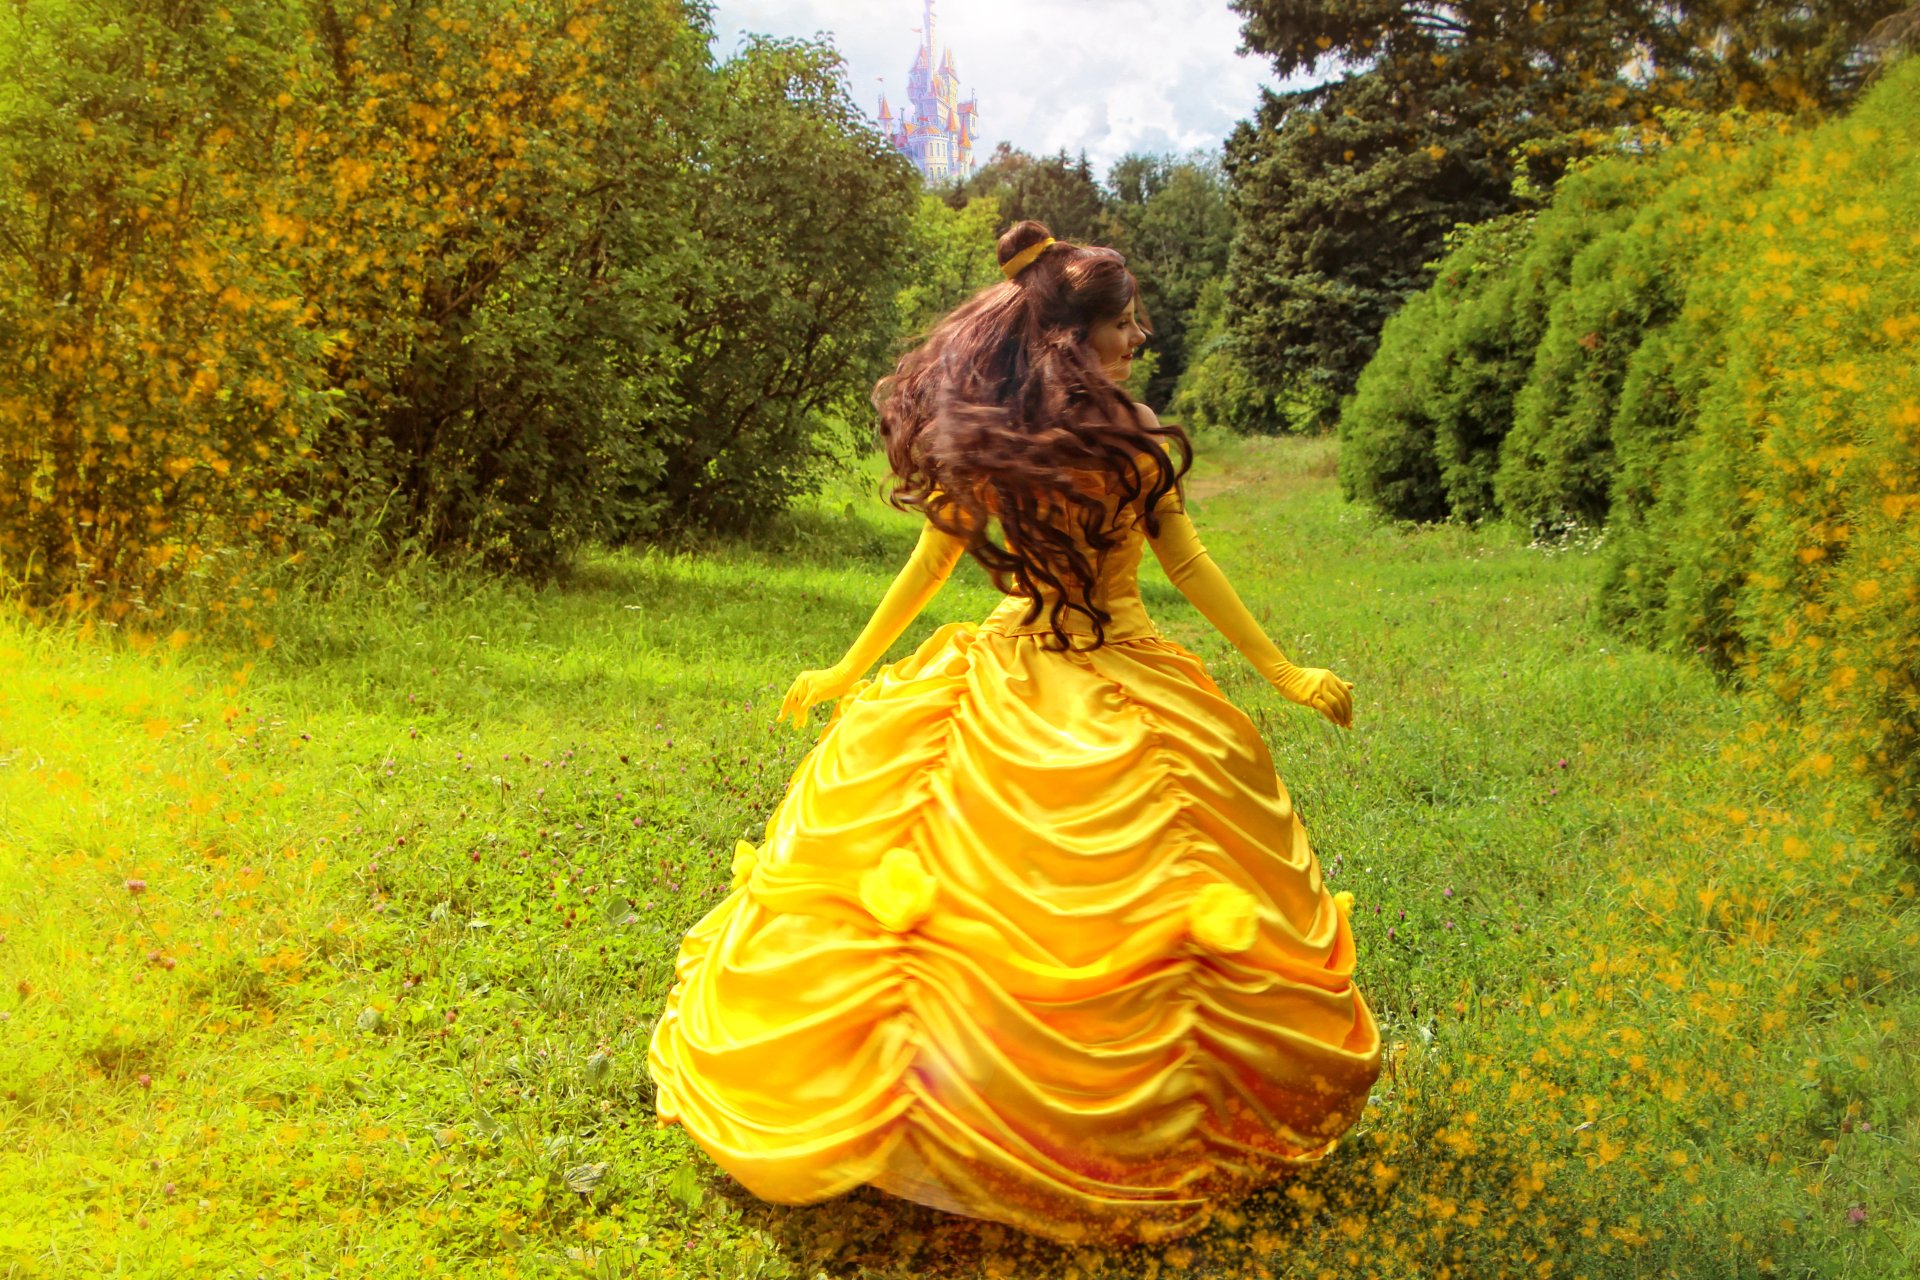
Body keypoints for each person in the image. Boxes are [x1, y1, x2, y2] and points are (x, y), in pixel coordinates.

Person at [646, 220, 1382, 1246]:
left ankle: (1070, 1104)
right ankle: (957, 1111)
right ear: (1078, 336)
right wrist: (848, 667)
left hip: (1091, 665)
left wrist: (1283, 669)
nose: (1140, 335)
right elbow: (930, 563)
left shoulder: (1129, 437)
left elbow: (1192, 567)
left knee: (1118, 891)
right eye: (1127, 321)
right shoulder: (1021, 441)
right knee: (969, 888)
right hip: (1050, 667)